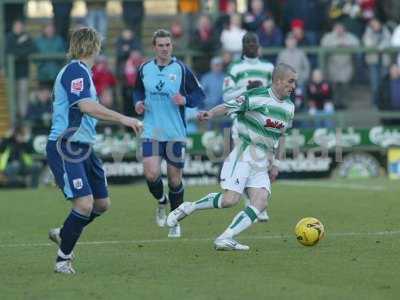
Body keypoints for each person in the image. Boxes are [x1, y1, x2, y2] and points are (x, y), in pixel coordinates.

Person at [166, 63, 297, 250]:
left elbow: (281, 135)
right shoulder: (256, 96)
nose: (293, 86)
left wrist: (275, 162)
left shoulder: (289, 108)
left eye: (295, 82)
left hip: (262, 161)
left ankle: (225, 237)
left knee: (260, 201)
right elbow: (229, 106)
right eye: (290, 81)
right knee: (230, 200)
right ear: (278, 81)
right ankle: (190, 207)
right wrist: (210, 113)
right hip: (245, 152)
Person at [46, 27, 143, 274]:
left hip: (84, 146)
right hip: (66, 145)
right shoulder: (75, 70)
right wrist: (124, 118)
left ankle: (64, 233)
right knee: (84, 203)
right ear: (93, 46)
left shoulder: (84, 73)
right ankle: (62, 260)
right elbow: (87, 106)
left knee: (101, 204)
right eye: (98, 44)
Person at [133, 29, 205, 238]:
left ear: (171, 46)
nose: (165, 49)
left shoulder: (181, 69)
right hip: (152, 130)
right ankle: (161, 201)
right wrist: (137, 102)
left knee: (174, 180)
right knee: (151, 173)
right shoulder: (144, 68)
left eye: (168, 45)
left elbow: (199, 94)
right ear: (154, 47)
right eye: (161, 45)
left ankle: (175, 220)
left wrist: (186, 101)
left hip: (175, 133)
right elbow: (137, 90)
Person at [223, 32, 274, 221]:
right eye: (247, 42)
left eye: (254, 42)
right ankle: (250, 202)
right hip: (242, 122)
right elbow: (226, 96)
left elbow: (276, 93)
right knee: (244, 162)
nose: (251, 45)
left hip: (263, 122)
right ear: (243, 46)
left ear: (259, 45)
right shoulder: (235, 68)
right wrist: (247, 89)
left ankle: (259, 200)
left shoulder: (268, 67)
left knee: (264, 161)